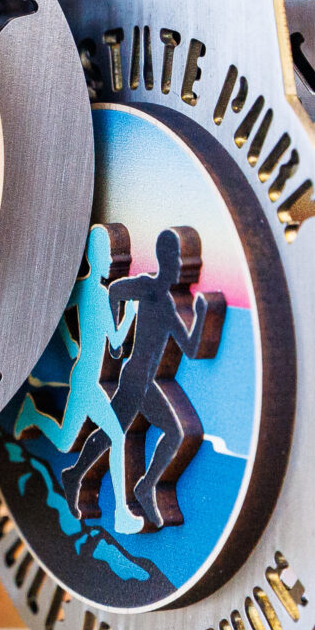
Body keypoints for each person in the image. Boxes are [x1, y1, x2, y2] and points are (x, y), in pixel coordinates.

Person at [10, 224, 145, 535]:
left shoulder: (100, 293)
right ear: (93, 256)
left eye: (113, 255)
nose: (112, 261)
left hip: (91, 380)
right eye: (106, 255)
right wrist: (129, 315)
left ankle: (123, 513)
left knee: (96, 438)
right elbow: (60, 313)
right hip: (85, 380)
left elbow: (113, 345)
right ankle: (32, 413)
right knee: (77, 440)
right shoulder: (88, 291)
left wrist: (124, 318)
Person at [94, 226, 226, 531]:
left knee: (179, 432)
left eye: (193, 264)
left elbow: (194, 347)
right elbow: (115, 291)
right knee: (113, 435)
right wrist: (119, 342)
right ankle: (85, 480)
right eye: (185, 263)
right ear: (168, 261)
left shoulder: (172, 303)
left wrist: (207, 313)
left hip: (152, 383)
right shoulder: (152, 290)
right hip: (135, 381)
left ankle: (147, 486)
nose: (192, 271)